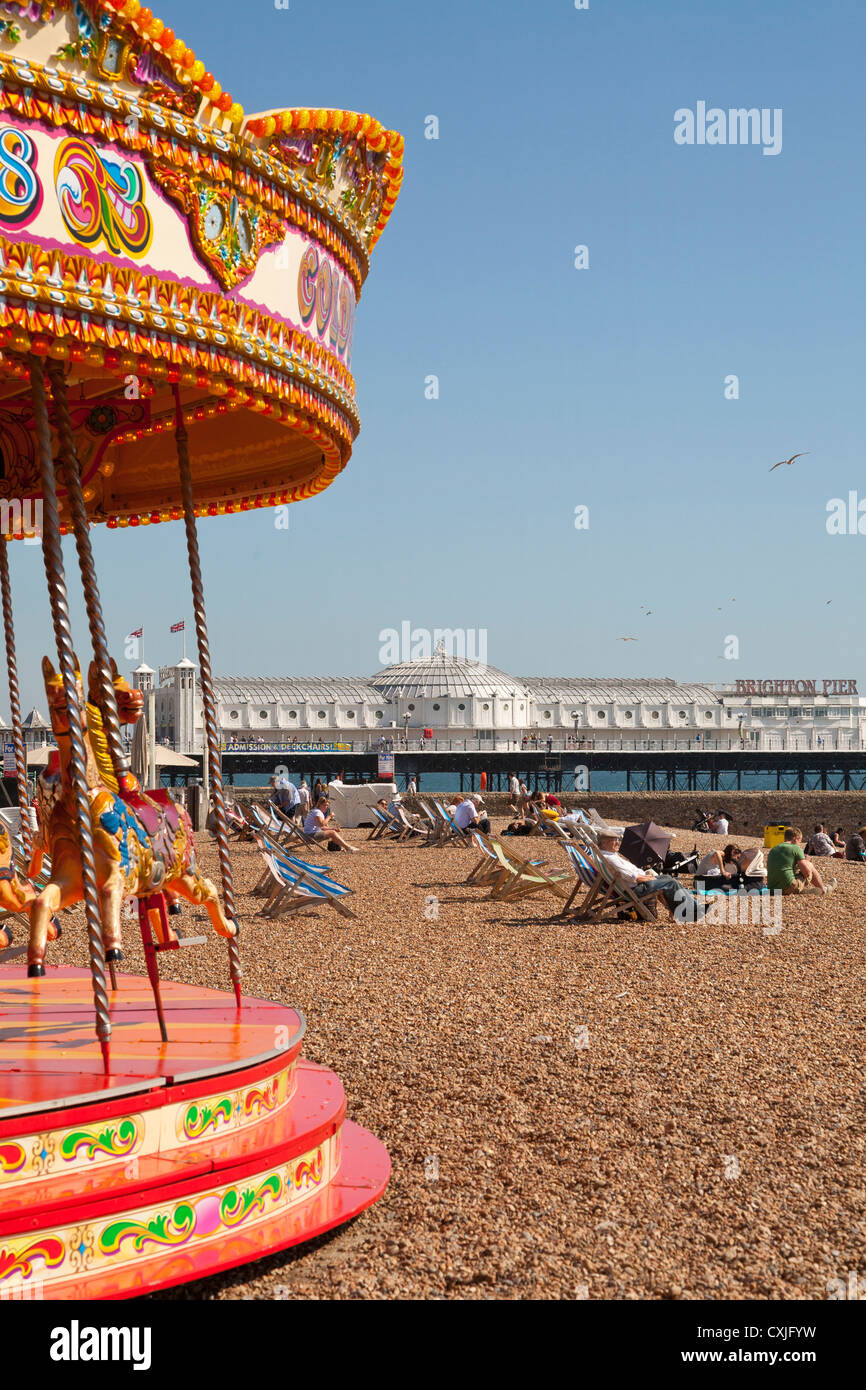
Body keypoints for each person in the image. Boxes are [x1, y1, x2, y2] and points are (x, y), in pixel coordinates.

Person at [596, 829, 706, 922]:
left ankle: (691, 909)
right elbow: (633, 877)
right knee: (670, 882)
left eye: (617, 840)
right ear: (604, 843)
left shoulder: (608, 855)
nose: (617, 843)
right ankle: (688, 912)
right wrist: (650, 878)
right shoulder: (610, 858)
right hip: (633, 890)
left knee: (668, 879)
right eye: (613, 841)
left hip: (633, 886)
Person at [766, 827, 835, 895]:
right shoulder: (795, 848)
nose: (799, 844)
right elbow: (807, 873)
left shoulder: (774, 849)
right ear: (796, 839)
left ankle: (807, 891)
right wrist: (806, 861)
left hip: (772, 889)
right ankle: (824, 890)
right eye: (800, 841)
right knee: (809, 865)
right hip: (788, 887)